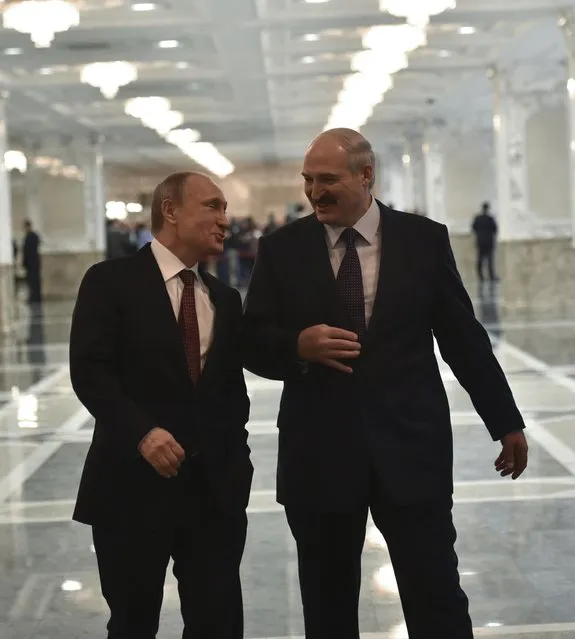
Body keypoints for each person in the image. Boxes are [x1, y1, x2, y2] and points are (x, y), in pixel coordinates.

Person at [242, 128, 528, 639]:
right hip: (320, 458)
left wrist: (505, 421)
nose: (313, 192)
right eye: (308, 180)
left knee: (436, 598)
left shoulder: (423, 240)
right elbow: (251, 342)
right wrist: (297, 348)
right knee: (327, 609)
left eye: (327, 180)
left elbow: (463, 339)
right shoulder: (280, 250)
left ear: (366, 174)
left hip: (411, 451)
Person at [70, 171, 253, 639]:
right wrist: (142, 433)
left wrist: (237, 468)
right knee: (133, 623)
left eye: (225, 208)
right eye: (212, 206)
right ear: (170, 211)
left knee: (219, 623)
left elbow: (231, 393)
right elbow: (90, 371)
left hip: (212, 497)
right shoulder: (110, 281)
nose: (224, 220)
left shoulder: (225, 299)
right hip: (131, 491)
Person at [472, 202, 498, 283]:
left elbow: (474, 228)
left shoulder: (478, 218)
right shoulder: (490, 219)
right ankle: (491, 276)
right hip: (489, 242)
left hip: (480, 241)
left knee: (480, 259)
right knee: (490, 260)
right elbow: (495, 229)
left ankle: (480, 276)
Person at [22, 220, 42, 303]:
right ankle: (36, 297)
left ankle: (33, 297)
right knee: (35, 281)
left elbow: (26, 251)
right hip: (35, 262)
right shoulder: (35, 236)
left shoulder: (28, 237)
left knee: (32, 281)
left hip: (31, 263)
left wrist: (24, 262)